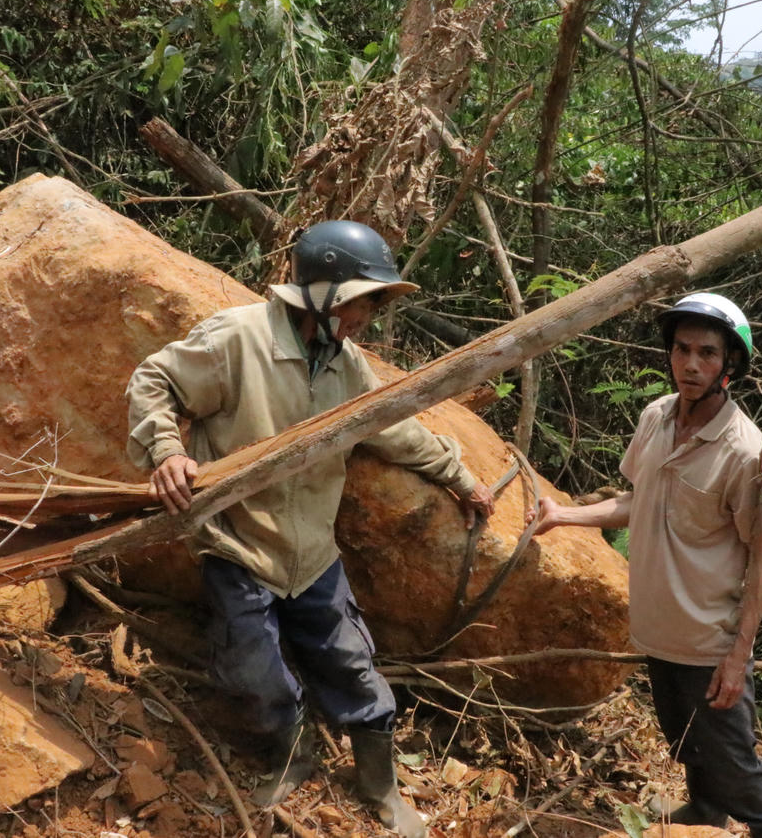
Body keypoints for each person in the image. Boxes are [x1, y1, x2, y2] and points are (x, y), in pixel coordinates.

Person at [126, 220, 495, 837]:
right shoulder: (238, 339)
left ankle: (381, 784)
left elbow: (393, 428)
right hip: (238, 545)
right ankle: (294, 751)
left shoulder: (347, 368)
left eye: (371, 307)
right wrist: (167, 449)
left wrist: (459, 476)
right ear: (319, 292)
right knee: (252, 667)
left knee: (351, 663)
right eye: (359, 303)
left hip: (314, 554)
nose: (364, 320)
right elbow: (154, 380)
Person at [530, 292, 762, 838]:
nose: (691, 365)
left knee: (735, 762)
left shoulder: (748, 454)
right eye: (682, 350)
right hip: (655, 628)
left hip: (706, 640)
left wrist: (737, 657)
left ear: (731, 364)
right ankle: (704, 815)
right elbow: (634, 501)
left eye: (708, 354)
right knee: (686, 739)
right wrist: (566, 514)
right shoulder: (655, 417)